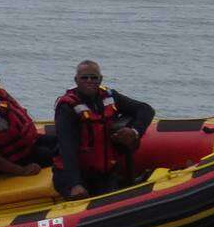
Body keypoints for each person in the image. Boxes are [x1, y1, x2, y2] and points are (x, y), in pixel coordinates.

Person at [50, 60, 156, 198]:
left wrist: (134, 131)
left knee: (114, 200)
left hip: (103, 173)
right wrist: (75, 183)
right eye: (84, 78)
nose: (89, 81)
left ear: (100, 79)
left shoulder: (109, 96)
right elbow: (67, 147)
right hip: (72, 175)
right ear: (76, 80)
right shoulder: (67, 107)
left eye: (94, 77)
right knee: (84, 199)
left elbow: (145, 109)